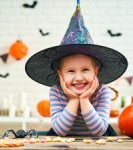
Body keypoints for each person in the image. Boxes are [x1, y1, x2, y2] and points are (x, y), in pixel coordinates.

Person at [25, 1, 128, 136]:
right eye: (70, 71)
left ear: (96, 71)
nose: (78, 77)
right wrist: (73, 100)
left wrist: (84, 100)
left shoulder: (102, 91)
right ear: (60, 74)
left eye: (85, 70)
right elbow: (61, 131)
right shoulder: (57, 92)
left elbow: (99, 131)